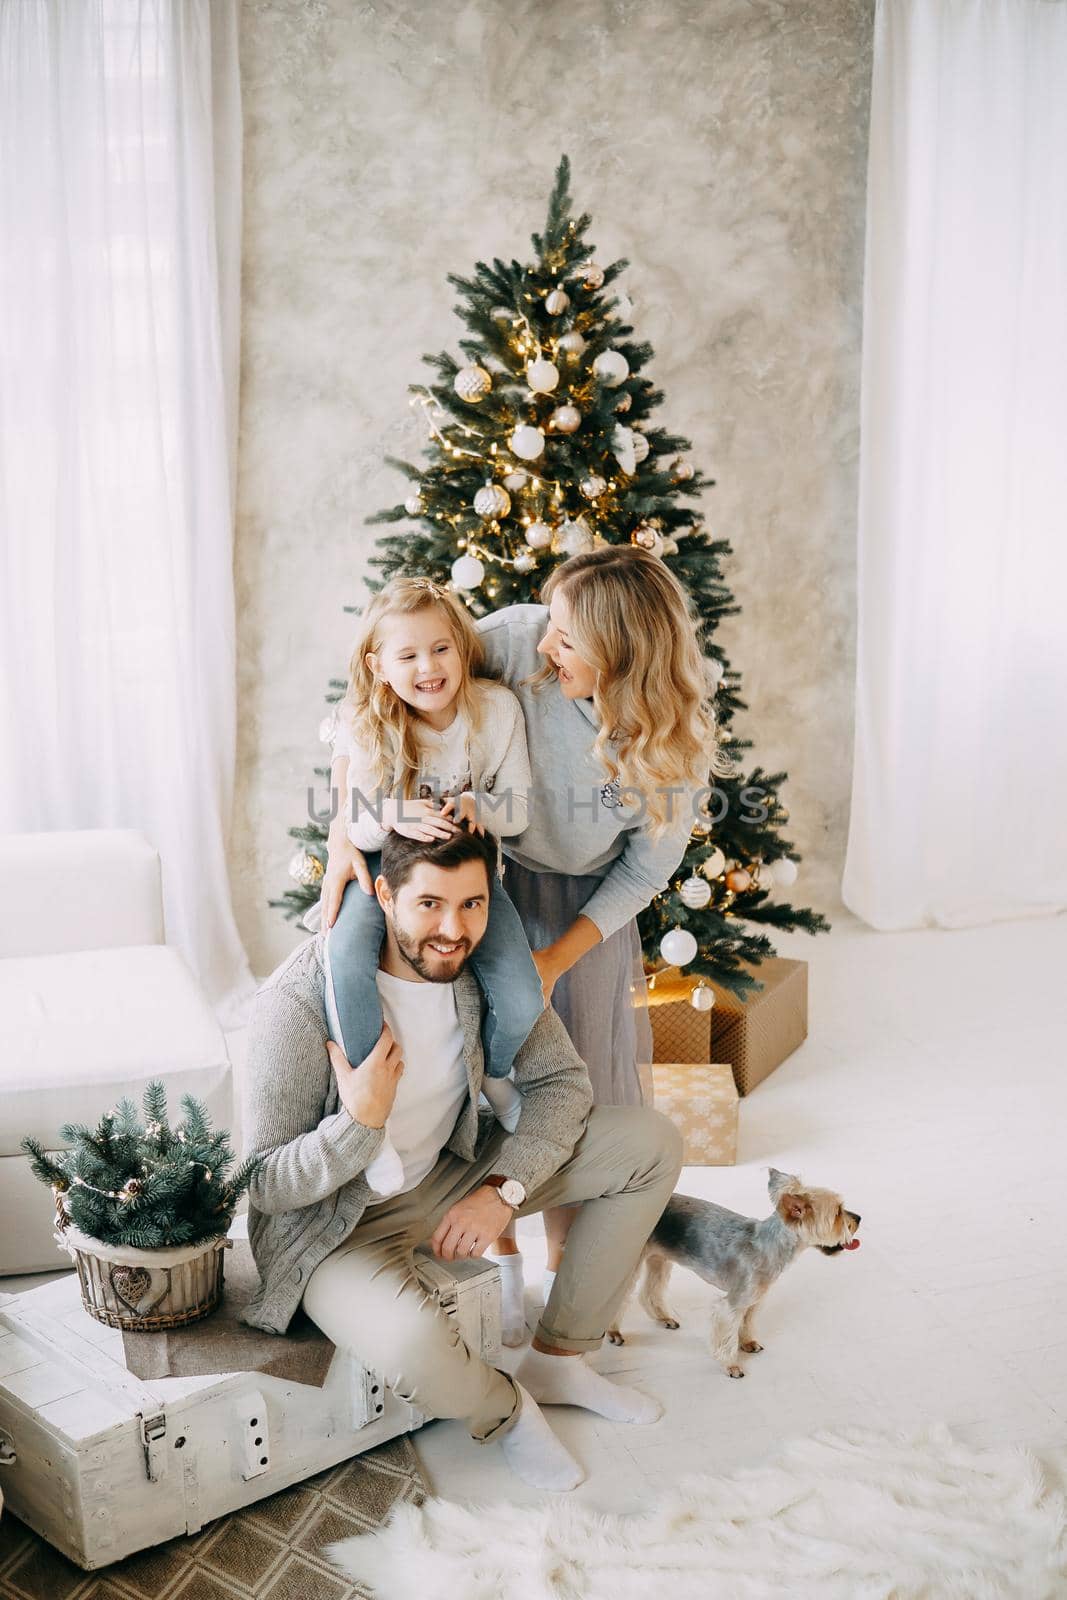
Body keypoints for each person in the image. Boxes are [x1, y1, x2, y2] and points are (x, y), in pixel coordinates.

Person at [323, 546, 719, 1341]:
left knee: (580, 1084)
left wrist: (550, 961)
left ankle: (566, 1279)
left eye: (568, 640)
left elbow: (640, 878)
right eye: (550, 627)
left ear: (620, 653)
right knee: (484, 1068)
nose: (545, 646)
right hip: (485, 882)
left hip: (586, 909)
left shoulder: (676, 745)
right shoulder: (515, 637)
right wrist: (343, 830)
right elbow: (381, 690)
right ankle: (494, 1267)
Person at [241, 822, 683, 1492]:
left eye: (471, 904)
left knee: (650, 1144)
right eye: (429, 904)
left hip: (450, 1170)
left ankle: (558, 1357)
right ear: (384, 896)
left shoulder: (483, 974)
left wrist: (502, 1189)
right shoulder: (298, 1001)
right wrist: (358, 1122)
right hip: (337, 1226)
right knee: (413, 1348)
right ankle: (507, 1411)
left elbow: (562, 1085)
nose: (452, 929)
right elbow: (263, 1182)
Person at [319, 575, 545, 1199]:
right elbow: (352, 818)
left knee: (521, 992)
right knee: (343, 960)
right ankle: (377, 1124)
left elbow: (519, 811)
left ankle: (495, 1076)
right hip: (383, 875)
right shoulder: (370, 722)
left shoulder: (494, 711)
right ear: (379, 665)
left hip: (467, 880)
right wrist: (390, 812)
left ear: (462, 647)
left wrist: (480, 804)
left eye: (441, 648)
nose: (428, 667)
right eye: (409, 654)